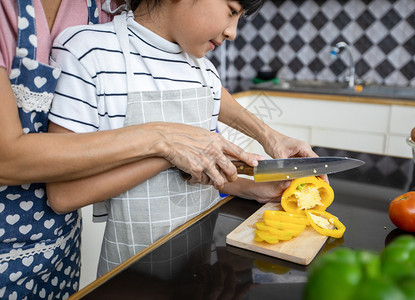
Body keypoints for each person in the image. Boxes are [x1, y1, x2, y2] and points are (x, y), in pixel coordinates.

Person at [0, 0, 263, 298]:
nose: (233, 32)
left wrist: (252, 176)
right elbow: (19, 166)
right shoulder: (87, 47)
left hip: (63, 250)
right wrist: (165, 146)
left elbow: (196, 151)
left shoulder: (103, 7)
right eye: (231, 11)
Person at [46, 0, 326, 278]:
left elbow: (195, 173)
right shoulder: (90, 52)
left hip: (200, 271)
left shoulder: (204, 72)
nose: (233, 32)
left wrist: (248, 186)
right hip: (133, 279)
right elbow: (64, 195)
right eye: (231, 11)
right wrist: (168, 156)